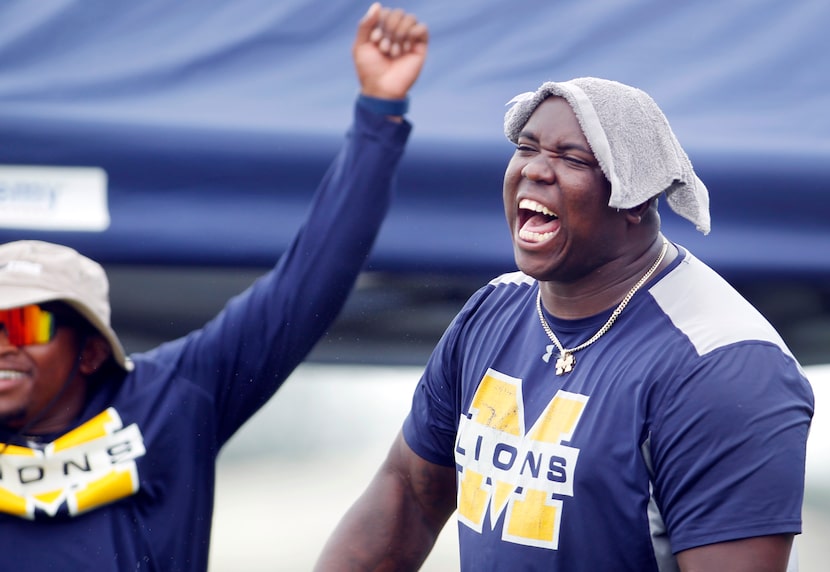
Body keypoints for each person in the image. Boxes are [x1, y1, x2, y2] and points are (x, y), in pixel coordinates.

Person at [315, 78, 815, 571]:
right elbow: (408, 494)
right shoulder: (493, 310)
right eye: (526, 148)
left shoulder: (724, 363)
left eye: (572, 159)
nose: (535, 170)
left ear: (635, 197)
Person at [0, 4, 428, 571]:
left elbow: (308, 281)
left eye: (25, 323)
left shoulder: (172, 398)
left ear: (92, 350)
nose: (4, 342)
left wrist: (379, 114)